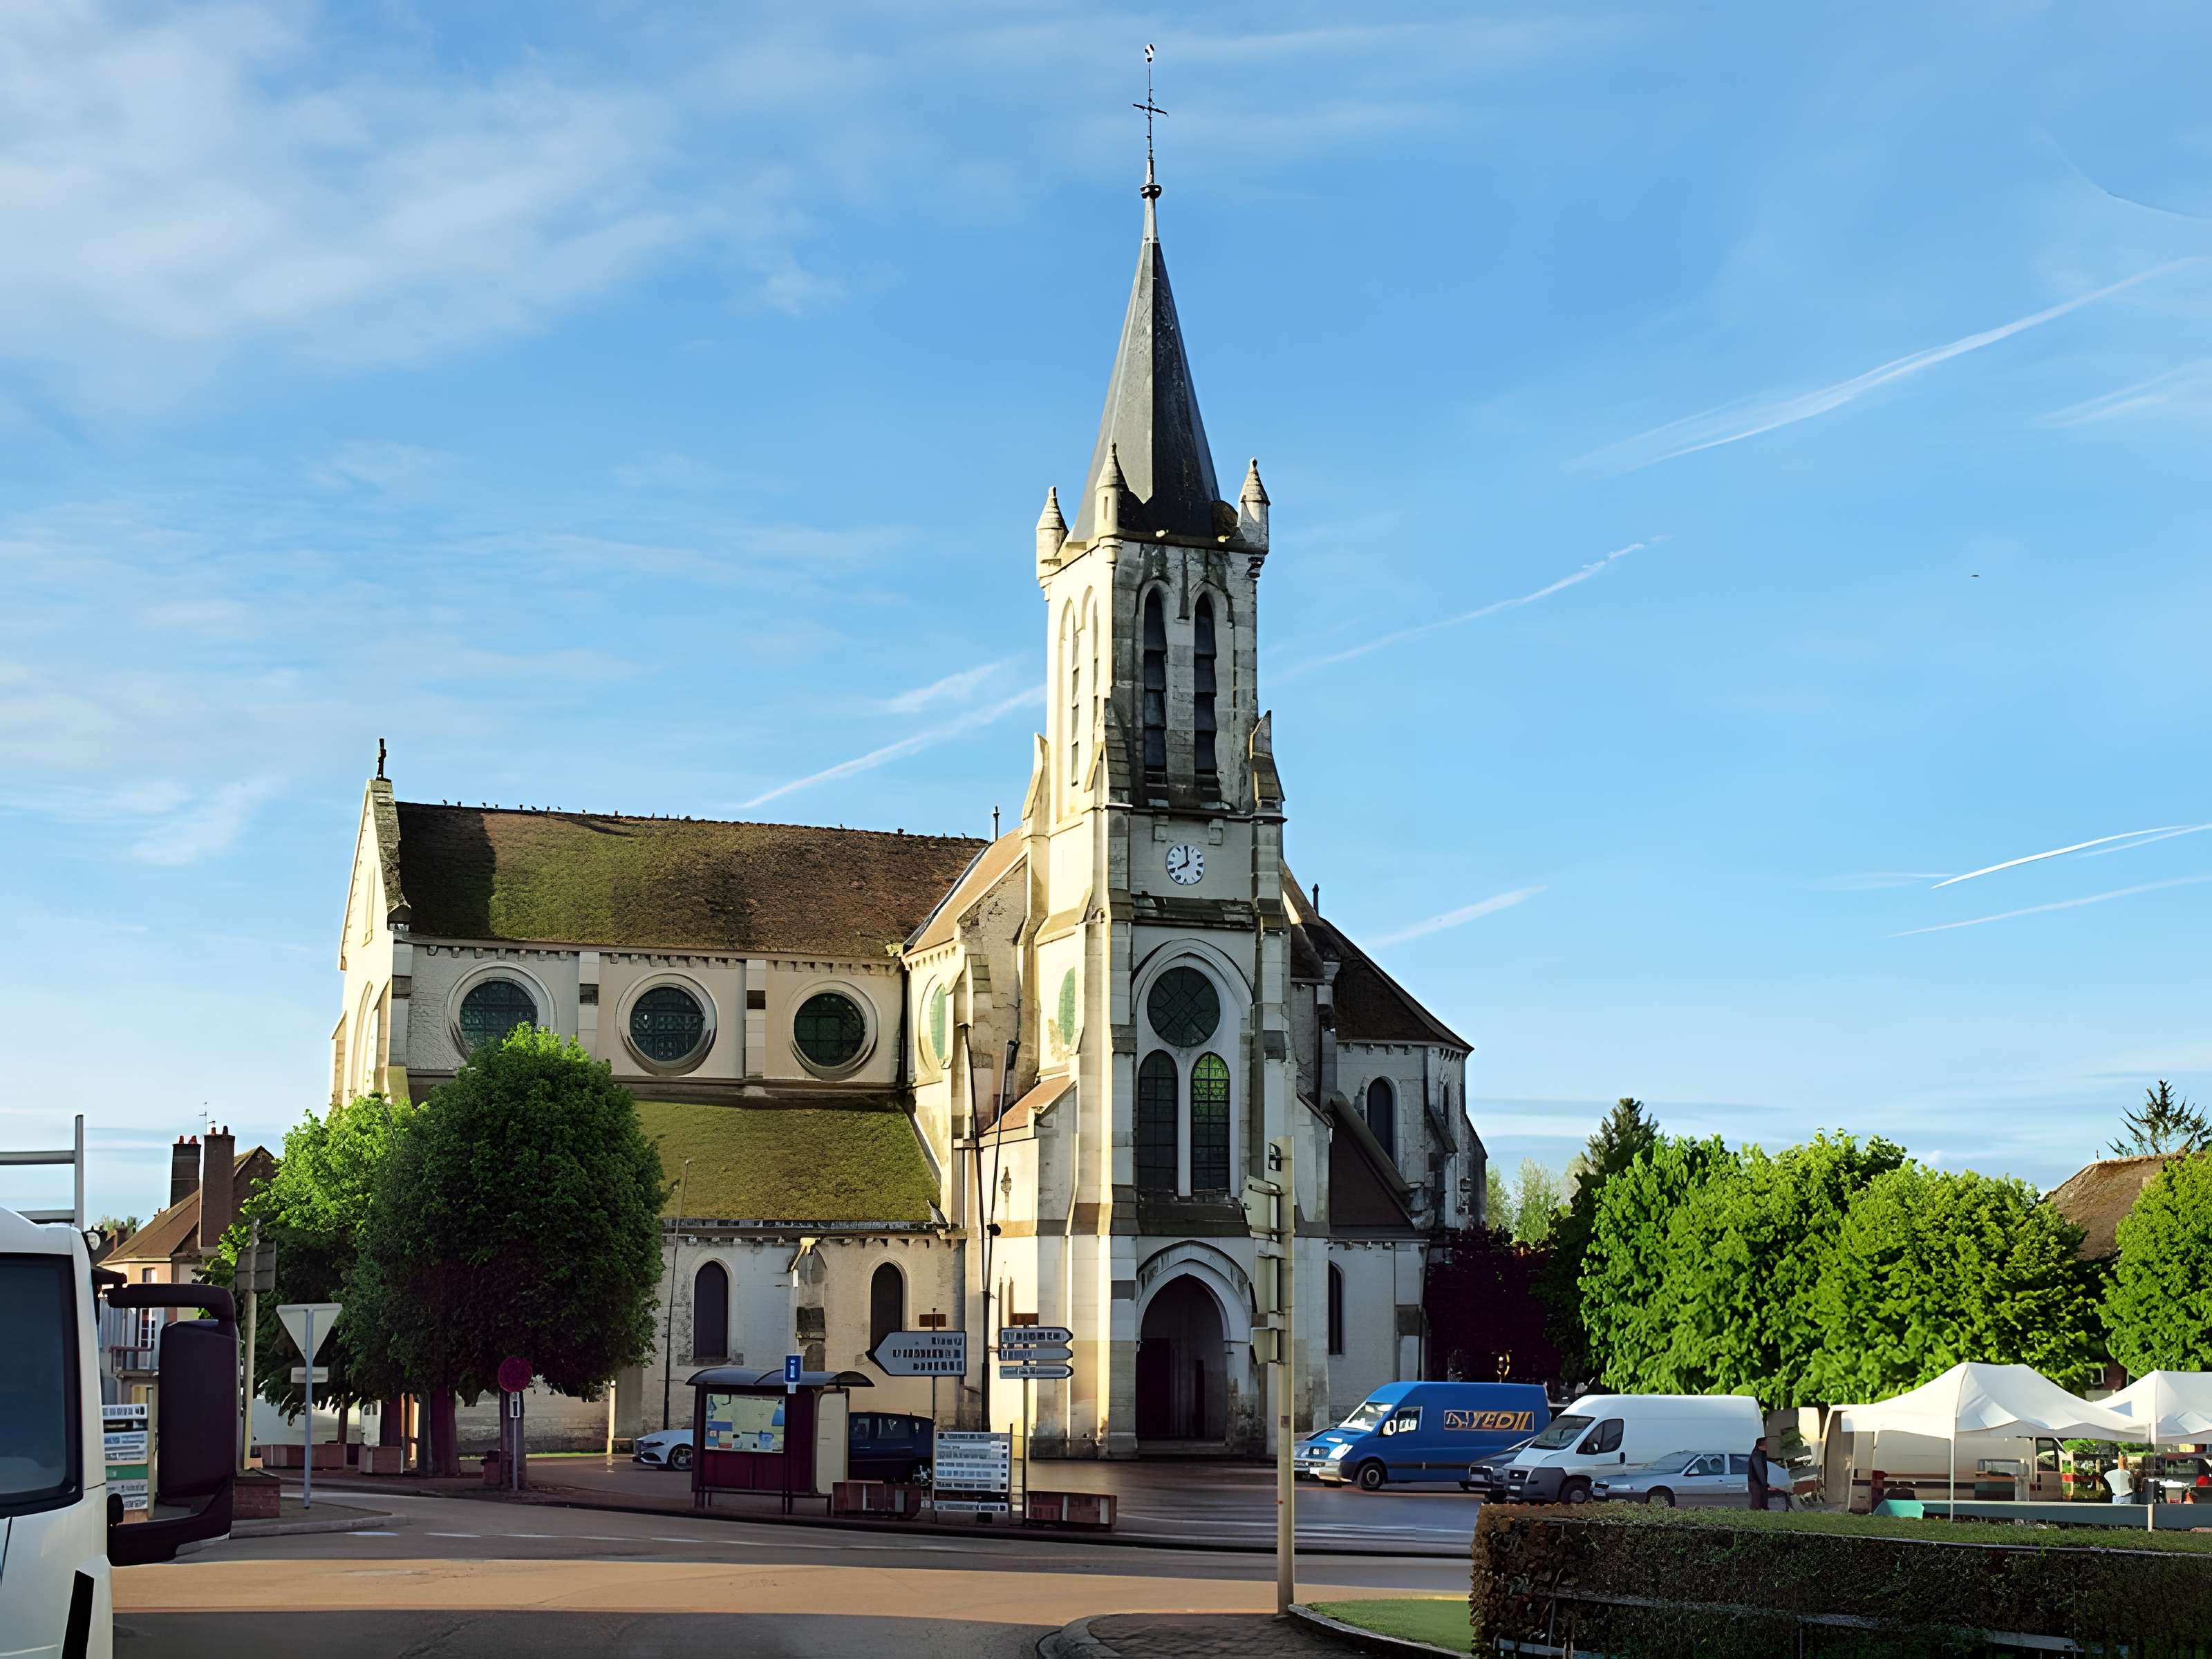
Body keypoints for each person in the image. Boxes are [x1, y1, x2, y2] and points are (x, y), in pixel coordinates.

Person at [1748, 1435, 1771, 1510]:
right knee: (1757, 1503)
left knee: (1762, 1502)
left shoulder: (1760, 1454)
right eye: (1766, 1445)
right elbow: (1759, 1471)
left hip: (1758, 1482)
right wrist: (1765, 1483)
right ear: (1760, 1446)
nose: (1768, 1447)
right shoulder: (1757, 1456)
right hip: (1756, 1482)